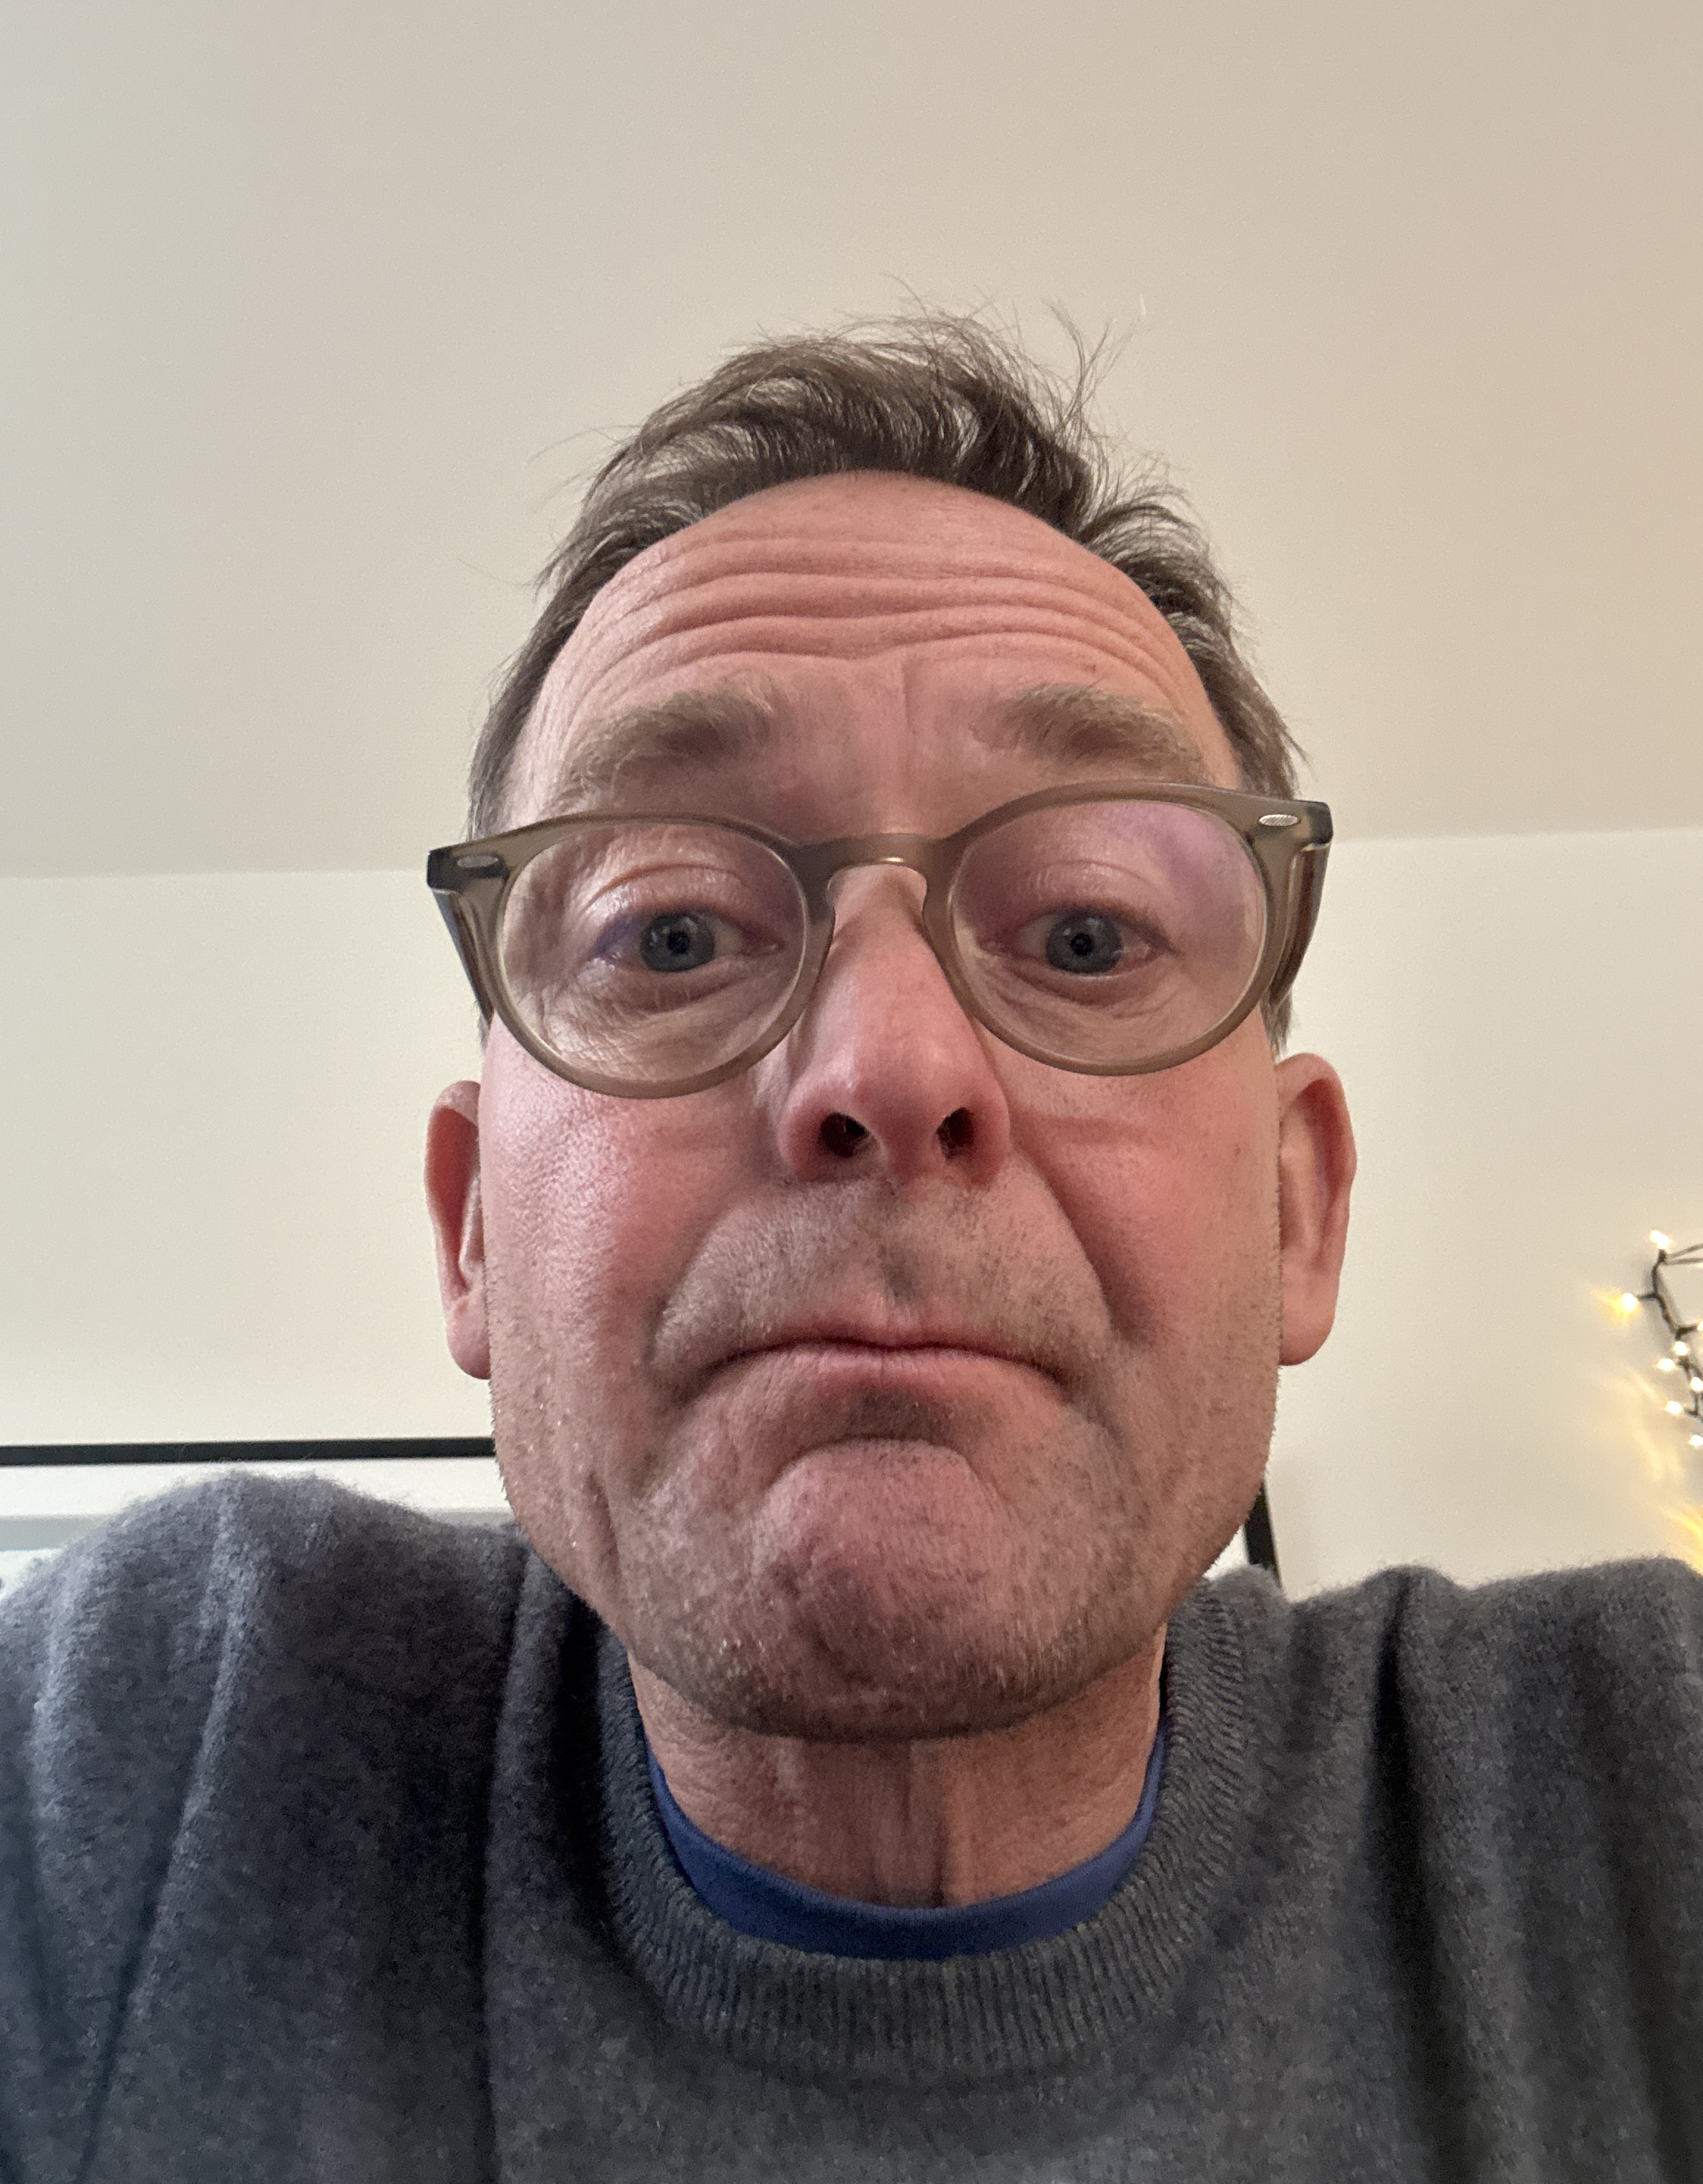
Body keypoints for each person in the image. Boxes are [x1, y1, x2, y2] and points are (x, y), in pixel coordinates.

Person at [2, 317, 1700, 2182]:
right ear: (474, 1224)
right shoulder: (154, 1743)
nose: (890, 1066)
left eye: (1084, 934)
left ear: (1299, 1209)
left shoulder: (1643, 1774)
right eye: (669, 934)